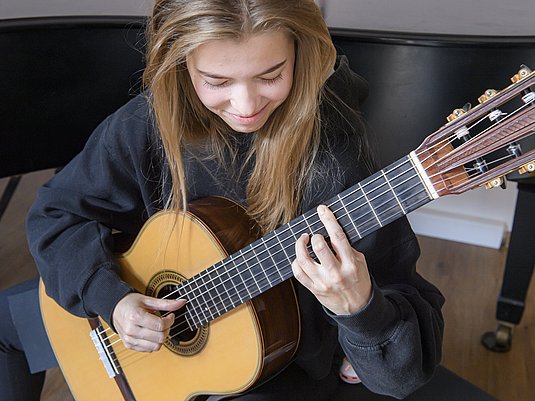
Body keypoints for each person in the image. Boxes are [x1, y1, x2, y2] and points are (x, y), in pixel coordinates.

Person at [0, 0, 445, 400]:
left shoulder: (340, 156)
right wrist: (110, 297)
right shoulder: (150, 121)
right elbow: (59, 211)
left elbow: (402, 378)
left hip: (276, 368)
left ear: (301, 55)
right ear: (181, 65)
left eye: (271, 75)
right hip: (137, 324)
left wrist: (360, 306)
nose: (246, 103)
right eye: (216, 81)